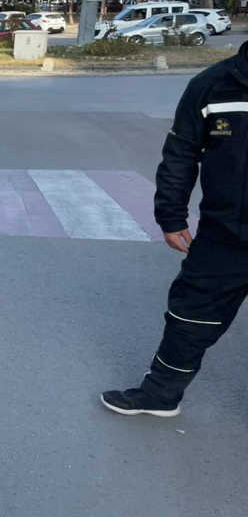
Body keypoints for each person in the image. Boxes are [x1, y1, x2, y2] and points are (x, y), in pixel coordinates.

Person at [102, 41, 248, 417]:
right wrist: (171, 215)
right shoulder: (213, 85)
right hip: (225, 236)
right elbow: (181, 153)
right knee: (189, 319)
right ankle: (160, 395)